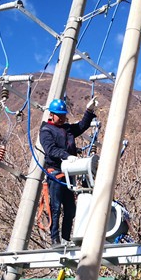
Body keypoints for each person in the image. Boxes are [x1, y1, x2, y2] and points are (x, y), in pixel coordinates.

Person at [39, 96, 96, 245]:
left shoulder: (67, 129)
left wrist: (89, 111)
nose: (62, 118)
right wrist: (66, 156)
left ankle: (65, 238)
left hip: (68, 174)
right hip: (55, 173)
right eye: (59, 115)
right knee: (56, 207)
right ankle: (55, 239)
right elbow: (50, 149)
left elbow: (81, 126)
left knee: (70, 209)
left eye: (64, 115)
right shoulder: (46, 130)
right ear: (52, 114)